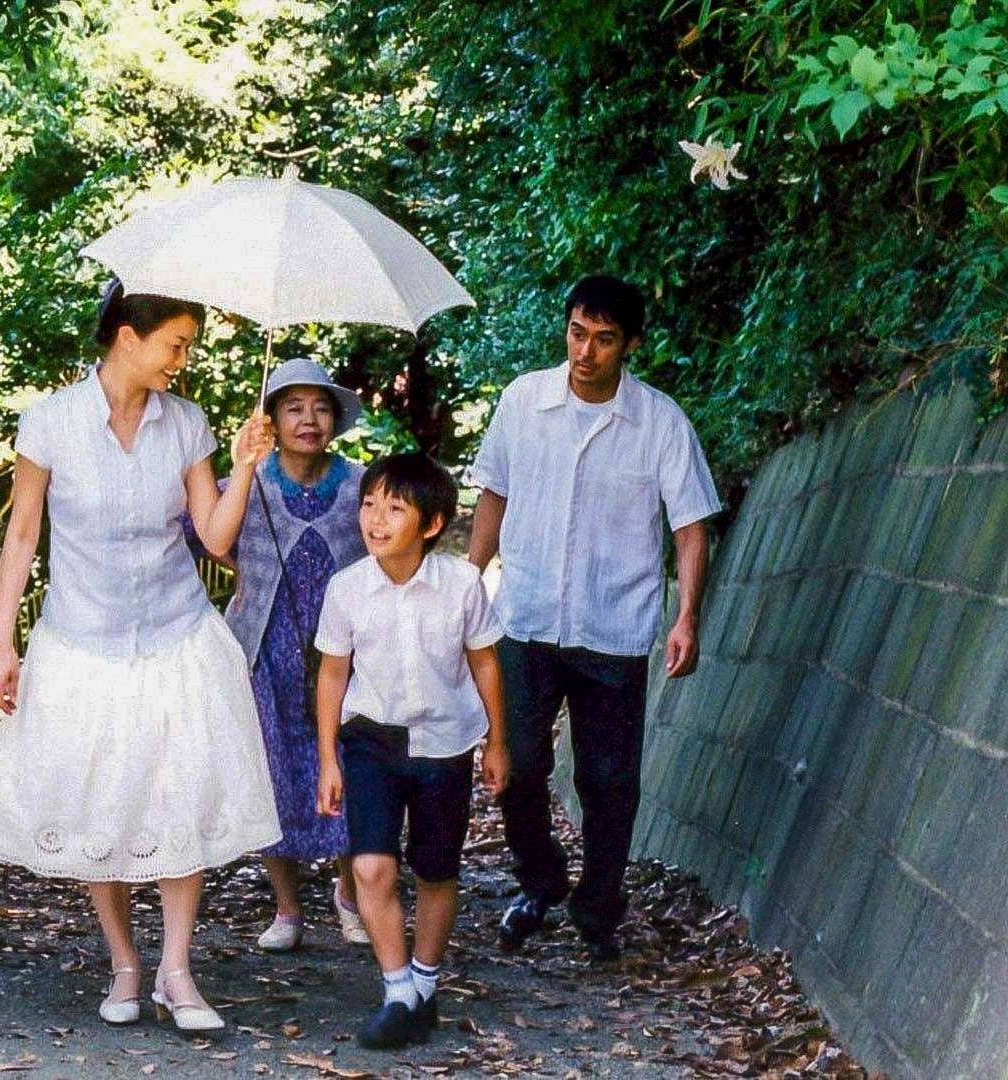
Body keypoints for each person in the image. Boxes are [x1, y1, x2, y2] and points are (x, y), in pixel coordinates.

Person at [0, 280, 282, 1035]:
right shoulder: (49, 422)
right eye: (176, 344)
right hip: (82, 640)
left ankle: (176, 970)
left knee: (178, 797)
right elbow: (22, 535)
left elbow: (214, 536)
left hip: (176, 635)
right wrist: (3, 640)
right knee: (98, 808)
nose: (183, 359)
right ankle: (124, 963)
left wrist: (245, 465)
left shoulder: (187, 423)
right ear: (127, 337)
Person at [467, 275, 721, 963]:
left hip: (615, 626)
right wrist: (467, 582)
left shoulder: (660, 422)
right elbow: (494, 495)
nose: (586, 351)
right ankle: (539, 880)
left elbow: (691, 527)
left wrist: (687, 616)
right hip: (525, 619)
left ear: (631, 344)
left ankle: (599, 907)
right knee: (517, 765)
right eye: (578, 333)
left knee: (608, 781)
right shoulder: (524, 401)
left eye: (604, 340)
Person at [312, 453, 509, 1051]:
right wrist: (328, 759)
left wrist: (498, 741)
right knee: (371, 867)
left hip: (444, 745)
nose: (376, 519)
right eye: (370, 504)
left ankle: (424, 983)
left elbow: (484, 662)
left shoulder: (461, 585)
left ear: (431, 523)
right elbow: (332, 674)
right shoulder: (347, 588)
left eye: (395, 508)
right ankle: (397, 990)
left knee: (435, 871)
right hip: (370, 741)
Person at [193, 359, 371, 953]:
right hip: (266, 650)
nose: (308, 420)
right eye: (293, 408)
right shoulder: (250, 481)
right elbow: (209, 537)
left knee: (346, 766)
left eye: (320, 408)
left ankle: (350, 894)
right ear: (271, 419)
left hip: (344, 655)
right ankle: (288, 907)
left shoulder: (360, 486)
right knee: (273, 773)